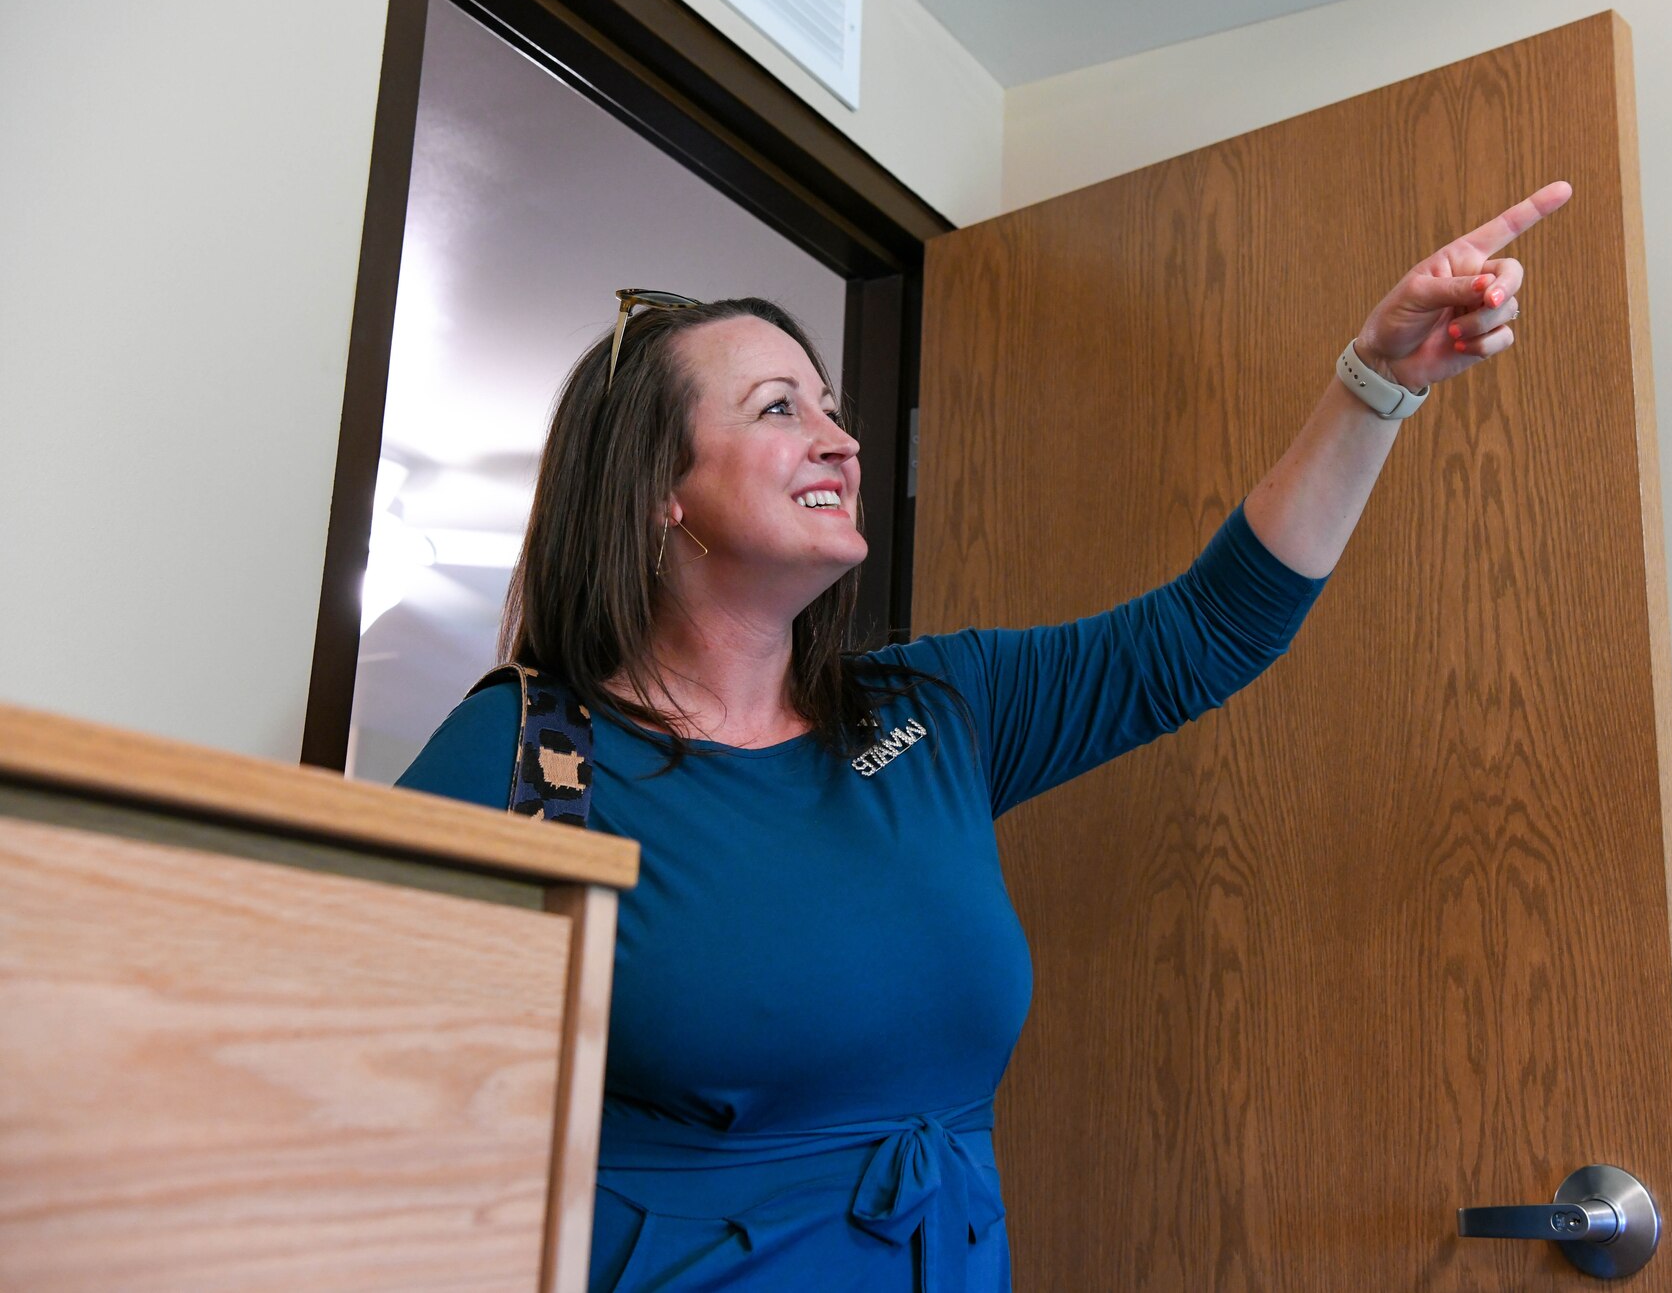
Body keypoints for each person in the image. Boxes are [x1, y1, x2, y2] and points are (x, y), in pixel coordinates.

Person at [396, 181, 1572, 1292]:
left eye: (832, 406)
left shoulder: (928, 710)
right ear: (660, 488)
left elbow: (1206, 633)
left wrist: (1375, 381)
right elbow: (338, 1080)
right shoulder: (523, 754)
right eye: (778, 409)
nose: (839, 440)